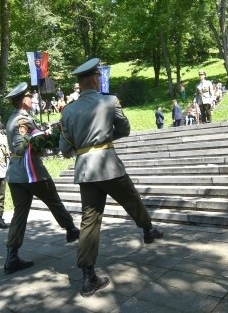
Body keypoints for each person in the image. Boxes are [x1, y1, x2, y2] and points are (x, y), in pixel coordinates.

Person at [59, 58, 163, 298]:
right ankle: (148, 230)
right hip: (108, 164)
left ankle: (88, 276)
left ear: (79, 83)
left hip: (85, 169)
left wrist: (83, 145)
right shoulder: (109, 101)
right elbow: (124, 129)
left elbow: (64, 149)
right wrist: (104, 139)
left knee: (89, 220)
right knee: (132, 200)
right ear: (96, 78)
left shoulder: (68, 111)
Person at [3, 82, 80, 276]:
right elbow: (24, 145)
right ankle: (71, 230)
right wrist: (51, 136)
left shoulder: (12, 118)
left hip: (15, 175)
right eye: (30, 96)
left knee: (20, 214)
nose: (33, 99)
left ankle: (12, 256)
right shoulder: (22, 120)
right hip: (31, 172)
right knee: (54, 201)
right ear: (24, 100)